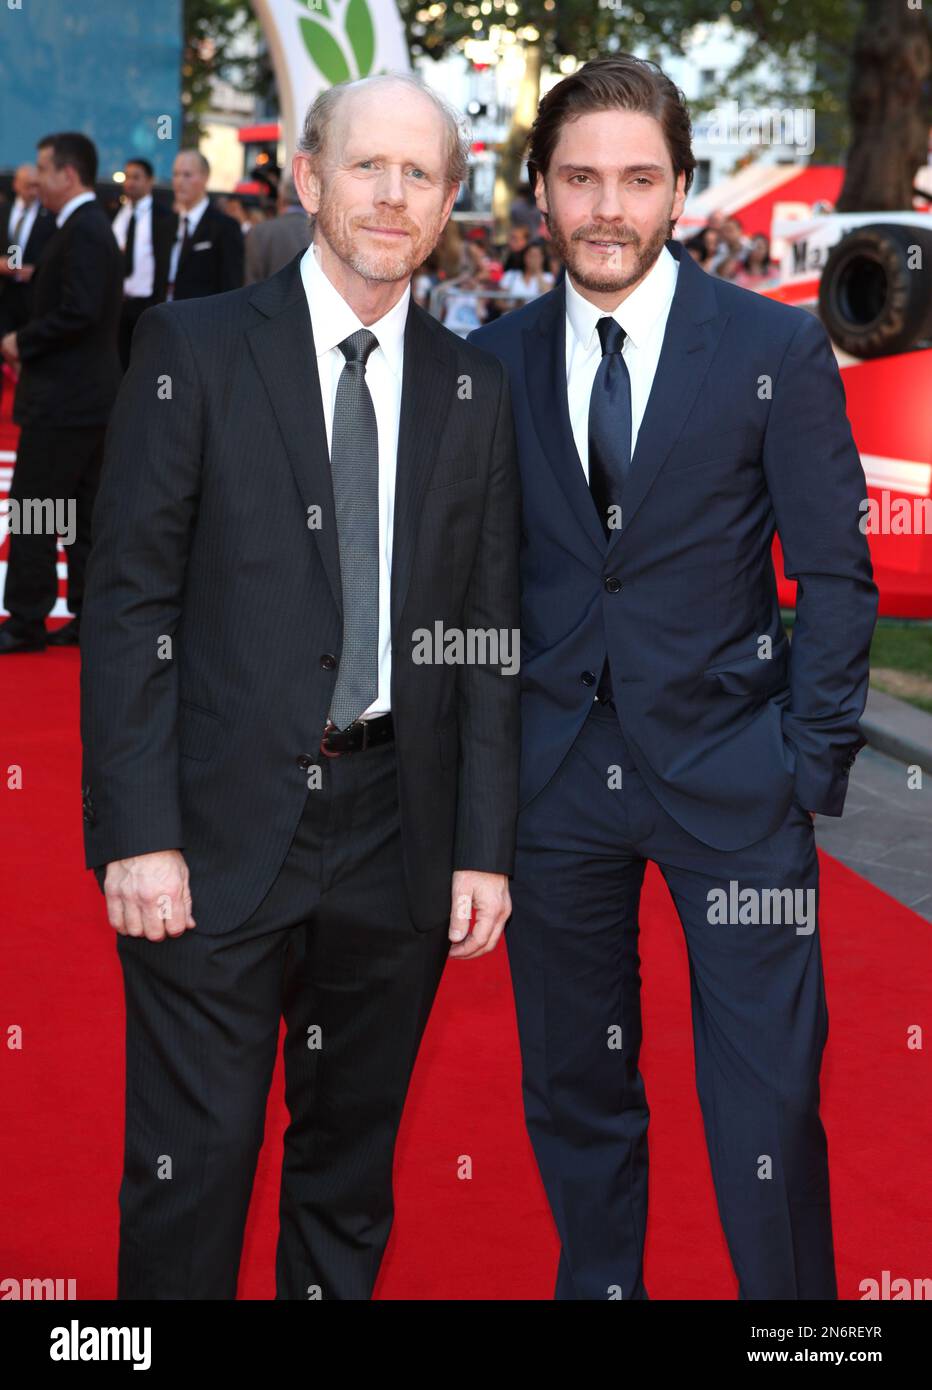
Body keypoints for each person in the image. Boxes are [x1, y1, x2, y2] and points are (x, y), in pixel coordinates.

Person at [79, 71, 521, 1300]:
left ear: (444, 204)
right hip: (214, 826)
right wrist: (139, 831)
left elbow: (483, 630)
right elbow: (127, 605)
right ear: (311, 179)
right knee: (194, 1162)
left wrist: (481, 846)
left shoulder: (473, 389)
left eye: (418, 175)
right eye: (367, 167)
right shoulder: (195, 348)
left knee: (349, 1165)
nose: (391, 195)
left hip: (398, 835)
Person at [470, 53, 878, 1300]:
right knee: (574, 1091)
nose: (607, 206)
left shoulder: (770, 347)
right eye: (580, 178)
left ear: (681, 190)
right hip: (554, 792)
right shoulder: (491, 360)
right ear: (538, 191)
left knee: (766, 1102)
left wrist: (801, 766)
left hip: (732, 782)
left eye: (636, 179)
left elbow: (835, 573)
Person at [0, 133, 122, 654]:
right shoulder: (81, 227)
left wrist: (21, 340)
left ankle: (26, 619)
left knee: (37, 507)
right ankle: (86, 615)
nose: (38, 180)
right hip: (84, 399)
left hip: (65, 400)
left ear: (67, 174)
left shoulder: (85, 230)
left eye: (45, 170)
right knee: (80, 511)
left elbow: (81, 310)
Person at [0, 163, 56, 408]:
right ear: (15, 185)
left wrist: (35, 271)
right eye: (27, 185)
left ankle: (29, 405)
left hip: (32, 298)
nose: (32, 190)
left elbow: (55, 256)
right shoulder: (3, 211)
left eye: (36, 185)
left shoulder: (50, 217)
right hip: (3, 294)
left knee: (28, 355)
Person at [110, 157, 174, 369]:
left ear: (149, 181)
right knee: (117, 362)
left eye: (136, 177)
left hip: (147, 302)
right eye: (127, 177)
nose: (130, 183)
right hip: (118, 302)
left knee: (143, 362)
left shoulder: (164, 217)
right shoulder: (115, 212)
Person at [162, 150, 244, 301]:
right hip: (165, 316)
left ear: (205, 177)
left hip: (203, 317)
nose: (179, 181)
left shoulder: (225, 227)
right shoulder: (167, 225)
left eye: (187, 175)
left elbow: (232, 285)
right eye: (176, 174)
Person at [245, 177, 312, 284]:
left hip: (267, 298)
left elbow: (251, 280)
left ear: (281, 199)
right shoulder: (321, 233)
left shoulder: (260, 232)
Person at [499, 239, 554, 307]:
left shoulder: (548, 277)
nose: (533, 259)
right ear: (524, 257)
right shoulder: (510, 275)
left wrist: (538, 272)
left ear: (543, 258)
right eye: (531, 256)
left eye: (537, 256)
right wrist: (513, 307)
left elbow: (549, 297)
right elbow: (499, 301)